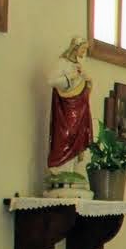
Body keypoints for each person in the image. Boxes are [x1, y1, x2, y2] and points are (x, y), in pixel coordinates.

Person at [44, 37, 93, 199]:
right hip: (65, 109)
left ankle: (71, 170)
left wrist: (87, 81)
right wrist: (70, 77)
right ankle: (59, 169)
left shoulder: (77, 65)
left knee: (76, 136)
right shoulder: (62, 63)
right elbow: (51, 80)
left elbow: (84, 85)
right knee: (65, 135)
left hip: (78, 108)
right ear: (75, 47)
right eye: (83, 49)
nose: (84, 52)